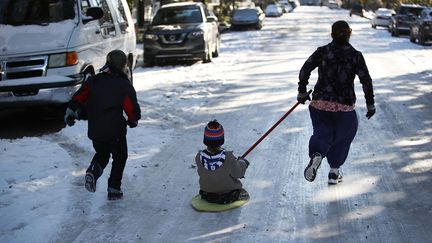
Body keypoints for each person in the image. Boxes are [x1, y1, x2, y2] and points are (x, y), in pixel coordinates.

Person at [297, 20, 375, 185]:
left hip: (320, 103)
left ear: (332, 34)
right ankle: (334, 172)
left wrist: (302, 92)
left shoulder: (323, 51)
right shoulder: (355, 56)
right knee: (343, 137)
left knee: (323, 132)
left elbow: (305, 69)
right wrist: (370, 104)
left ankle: (317, 153)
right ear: (349, 34)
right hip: (344, 105)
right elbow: (366, 80)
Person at [64, 50, 141, 200]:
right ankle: (114, 188)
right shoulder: (124, 85)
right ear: (123, 66)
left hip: (96, 130)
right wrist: (133, 120)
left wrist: (70, 110)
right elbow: (131, 108)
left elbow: (80, 96)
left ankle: (93, 171)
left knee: (102, 154)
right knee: (120, 157)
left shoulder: (95, 80)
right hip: (115, 131)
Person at [195, 120, 249, 204]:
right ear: (221, 140)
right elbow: (237, 173)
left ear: (205, 140)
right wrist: (243, 163)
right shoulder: (228, 157)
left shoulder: (199, 157)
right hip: (228, 194)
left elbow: (202, 173)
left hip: (208, 194)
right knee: (236, 189)